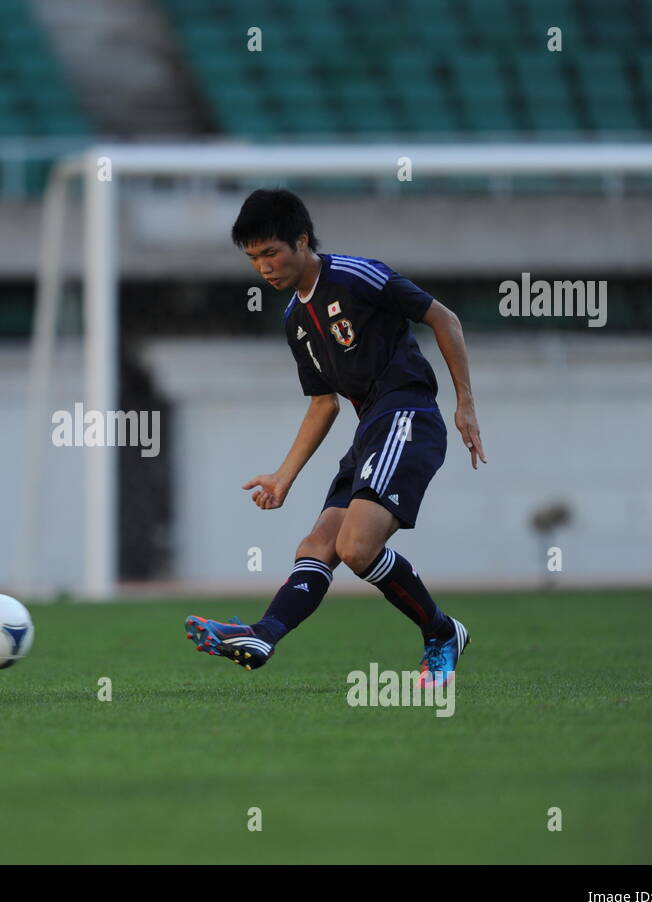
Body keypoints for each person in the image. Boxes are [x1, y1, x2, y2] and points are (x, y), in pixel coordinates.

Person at [185, 189, 486, 686]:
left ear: (302, 241)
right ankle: (264, 633)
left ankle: (441, 633)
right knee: (318, 544)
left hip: (408, 416)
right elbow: (323, 402)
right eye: (254, 258)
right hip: (370, 430)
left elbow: (443, 317)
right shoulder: (294, 320)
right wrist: (284, 477)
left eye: (271, 253)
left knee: (355, 548)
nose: (264, 267)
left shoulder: (355, 275)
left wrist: (465, 405)